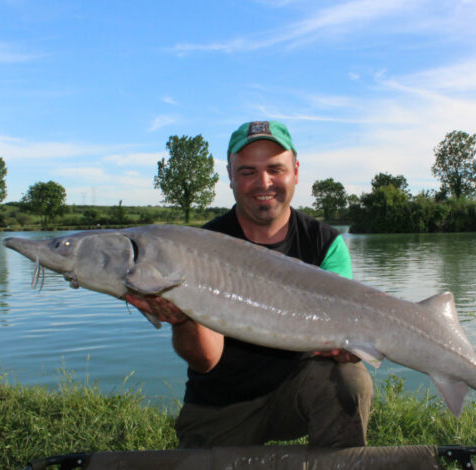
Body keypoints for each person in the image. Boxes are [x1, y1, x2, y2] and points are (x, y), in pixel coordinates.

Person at [126, 120, 373, 448]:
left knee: (350, 380)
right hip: (221, 403)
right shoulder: (201, 246)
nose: (263, 182)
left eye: (275, 169)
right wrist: (183, 318)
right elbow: (205, 360)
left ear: (295, 171)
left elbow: (347, 341)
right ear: (230, 175)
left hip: (298, 389)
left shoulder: (325, 243)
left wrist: (352, 347)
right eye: (247, 172)